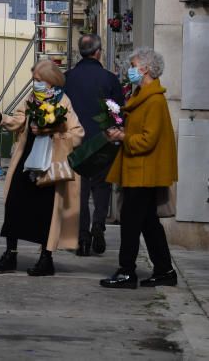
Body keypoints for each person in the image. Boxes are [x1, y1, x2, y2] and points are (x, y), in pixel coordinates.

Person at [0, 60, 84, 276]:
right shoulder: (31, 98)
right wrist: (0, 117)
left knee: (46, 210)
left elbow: (77, 134)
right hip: (26, 159)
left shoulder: (62, 101)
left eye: (38, 80)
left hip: (49, 163)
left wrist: (52, 131)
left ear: (50, 81)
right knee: (14, 203)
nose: (34, 84)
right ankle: (10, 253)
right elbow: (19, 120)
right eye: (34, 80)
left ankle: (46, 259)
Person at [100, 47, 178, 289]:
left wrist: (124, 138)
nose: (130, 70)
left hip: (143, 171)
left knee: (132, 223)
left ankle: (127, 271)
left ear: (145, 68)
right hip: (138, 169)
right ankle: (164, 270)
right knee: (147, 223)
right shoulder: (141, 95)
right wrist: (120, 132)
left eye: (133, 65)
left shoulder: (153, 100)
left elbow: (148, 139)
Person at [64, 33, 124, 257]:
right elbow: (118, 113)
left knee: (80, 191)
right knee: (102, 188)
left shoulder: (68, 78)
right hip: (102, 142)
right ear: (98, 52)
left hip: (76, 142)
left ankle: (82, 237)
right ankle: (98, 226)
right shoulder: (109, 79)